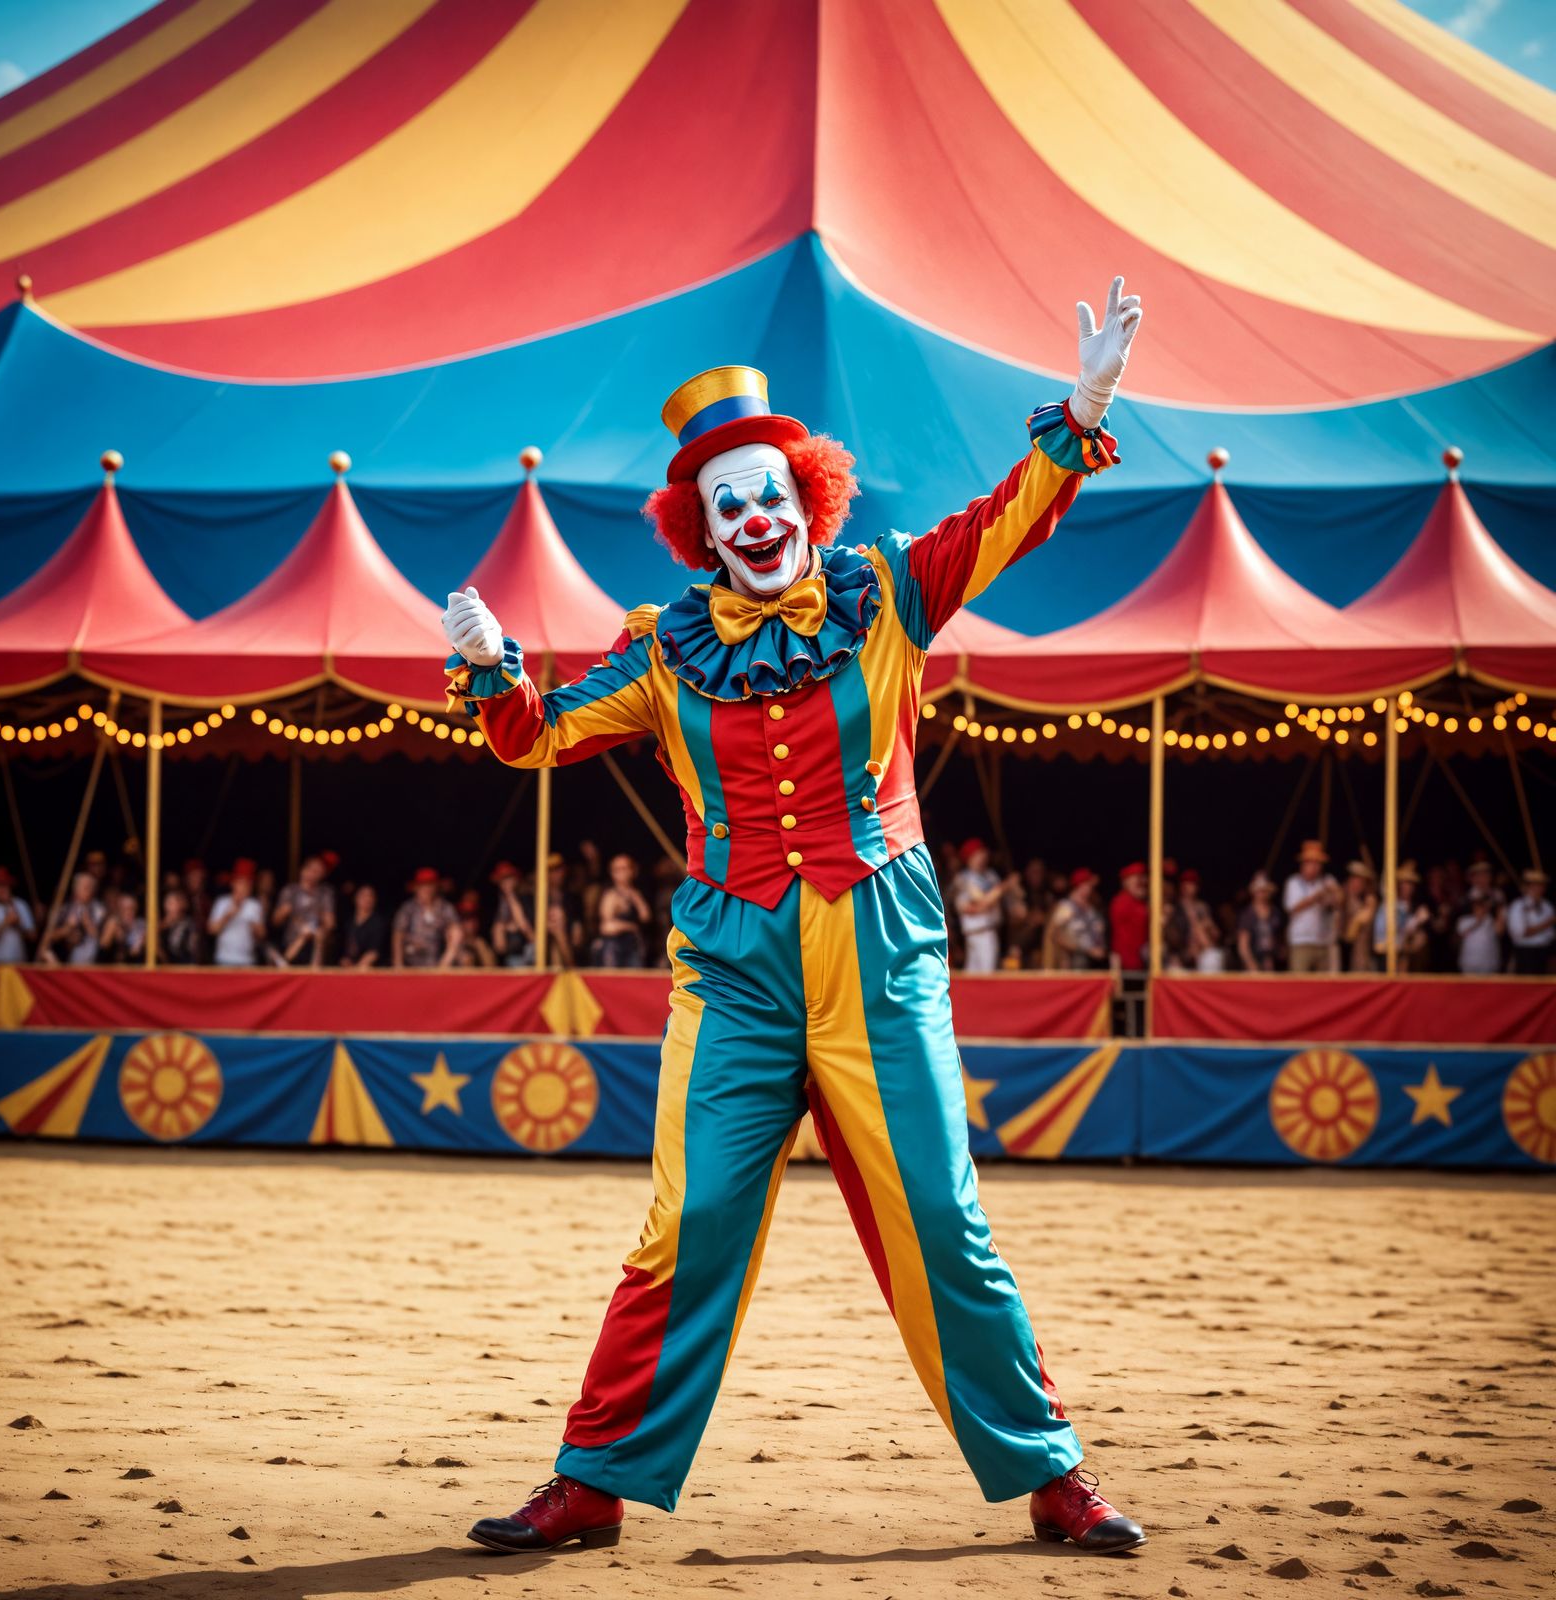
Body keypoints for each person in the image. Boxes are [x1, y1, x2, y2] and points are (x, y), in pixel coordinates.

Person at [444, 280, 1147, 1556]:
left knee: (939, 1210)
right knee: (689, 1218)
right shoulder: (664, 649)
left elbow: (1005, 523)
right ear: (702, 533)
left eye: (771, 493)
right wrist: (496, 668)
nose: (756, 518)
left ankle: (1051, 1473)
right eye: (729, 506)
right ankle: (594, 1480)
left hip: (877, 943)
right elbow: (535, 737)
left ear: (806, 499)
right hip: (733, 966)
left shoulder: (888, 592)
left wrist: (1081, 408)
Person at [952, 838, 1012, 974]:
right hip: (975, 931)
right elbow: (982, 902)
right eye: (977, 854)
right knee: (981, 974)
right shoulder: (964, 878)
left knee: (982, 972)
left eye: (982, 853)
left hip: (989, 930)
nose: (981, 857)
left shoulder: (991, 875)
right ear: (969, 858)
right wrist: (1004, 887)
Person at [271, 852, 337, 967]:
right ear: (303, 870)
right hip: (291, 943)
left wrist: (323, 922)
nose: (313, 875)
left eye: (318, 872)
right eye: (312, 870)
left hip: (314, 947)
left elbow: (330, 924)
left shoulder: (325, 893)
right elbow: (275, 921)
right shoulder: (290, 891)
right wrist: (284, 912)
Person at [1283, 840, 1340, 974]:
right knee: (1299, 983)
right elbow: (1292, 908)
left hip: (1323, 942)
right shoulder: (1293, 882)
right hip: (1301, 942)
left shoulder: (1326, 881)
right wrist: (1317, 896)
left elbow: (1339, 902)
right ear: (1303, 864)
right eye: (1312, 863)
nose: (1316, 867)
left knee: (1323, 985)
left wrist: (1335, 892)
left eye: (1318, 863)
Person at [392, 867, 462, 969]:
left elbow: (456, 932)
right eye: (423, 885)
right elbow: (398, 934)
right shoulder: (408, 908)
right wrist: (398, 964)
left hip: (435, 962)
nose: (427, 889)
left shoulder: (444, 908)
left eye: (430, 885)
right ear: (416, 887)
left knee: (456, 934)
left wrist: (445, 963)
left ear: (436, 887)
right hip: (410, 962)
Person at [1372, 861, 1432, 972]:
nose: (1406, 887)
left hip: (1406, 956)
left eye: (1410, 883)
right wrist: (1416, 920)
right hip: (1389, 954)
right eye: (1403, 883)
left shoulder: (1412, 906)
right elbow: (1394, 930)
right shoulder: (1390, 905)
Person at [594, 853, 651, 968]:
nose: (622, 873)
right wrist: (631, 927)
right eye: (617, 869)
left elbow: (646, 917)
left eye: (625, 868)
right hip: (615, 947)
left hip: (633, 946)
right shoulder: (610, 895)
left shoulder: (636, 893)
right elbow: (606, 927)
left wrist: (635, 898)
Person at [1046, 868, 1108, 970]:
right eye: (1085, 884)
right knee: (1080, 961)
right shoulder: (1066, 907)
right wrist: (1086, 950)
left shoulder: (1092, 908)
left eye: (1089, 885)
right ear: (1077, 885)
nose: (1088, 888)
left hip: (1097, 956)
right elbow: (1056, 934)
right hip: (1076, 956)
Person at [208, 860, 265, 967]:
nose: (244, 887)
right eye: (241, 883)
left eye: (248, 884)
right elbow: (211, 930)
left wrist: (254, 925)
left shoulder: (254, 905)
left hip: (247, 960)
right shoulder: (222, 902)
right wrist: (227, 916)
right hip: (223, 959)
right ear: (233, 883)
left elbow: (262, 935)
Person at [43, 871, 104, 966]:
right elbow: (47, 936)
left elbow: (100, 940)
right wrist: (67, 929)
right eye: (85, 886)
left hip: (90, 960)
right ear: (76, 889)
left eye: (91, 887)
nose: (89, 890)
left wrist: (86, 921)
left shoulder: (98, 909)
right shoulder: (65, 909)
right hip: (65, 958)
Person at [1173, 869, 1223, 973]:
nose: (1189, 887)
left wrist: (1207, 926)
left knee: (1213, 957)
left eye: (1192, 884)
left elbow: (1216, 933)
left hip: (1203, 951)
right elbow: (1173, 936)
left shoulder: (1203, 907)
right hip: (1182, 953)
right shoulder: (1175, 908)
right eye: (1186, 883)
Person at [1507, 869, 1554, 975]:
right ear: (1527, 887)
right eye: (1535, 885)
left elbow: (1550, 934)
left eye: (1541, 885)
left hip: (1544, 952)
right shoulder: (1517, 906)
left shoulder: (1547, 906)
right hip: (1525, 954)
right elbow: (1519, 933)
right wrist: (1547, 923)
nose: (1539, 888)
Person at [488, 862, 536, 967]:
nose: (505, 883)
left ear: (515, 879)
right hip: (512, 954)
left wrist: (511, 897)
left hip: (531, 947)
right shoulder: (500, 902)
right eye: (502, 880)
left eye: (508, 879)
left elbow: (525, 927)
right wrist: (505, 927)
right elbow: (499, 945)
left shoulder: (525, 897)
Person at [1456, 877, 1506, 975]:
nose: (1479, 908)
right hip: (1469, 964)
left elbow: (1500, 931)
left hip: (1488, 964)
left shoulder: (1491, 920)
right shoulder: (1464, 920)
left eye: (1482, 904)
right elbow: (1462, 933)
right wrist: (1478, 921)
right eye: (1477, 905)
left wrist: (1500, 913)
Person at [1106, 862, 1148, 973]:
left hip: (1140, 958)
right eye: (1135, 880)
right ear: (1125, 882)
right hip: (1126, 959)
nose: (1141, 884)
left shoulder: (1142, 903)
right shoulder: (1120, 902)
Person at [1235, 872, 1282, 972]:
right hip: (1253, 962)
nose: (1262, 893)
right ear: (1254, 892)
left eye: (1264, 890)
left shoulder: (1275, 912)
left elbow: (1279, 937)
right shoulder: (1247, 914)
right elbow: (1243, 946)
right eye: (1259, 890)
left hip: (1271, 962)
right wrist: (1252, 965)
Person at [1338, 861, 1377, 974]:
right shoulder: (1343, 897)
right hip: (1346, 950)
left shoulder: (1367, 900)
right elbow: (1349, 935)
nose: (1357, 884)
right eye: (1354, 879)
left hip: (1365, 951)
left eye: (1361, 881)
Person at [340, 884, 386, 969]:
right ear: (355, 898)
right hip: (348, 967)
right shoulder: (348, 921)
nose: (367, 899)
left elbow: (374, 952)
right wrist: (345, 960)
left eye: (370, 896)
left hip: (370, 968)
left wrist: (357, 968)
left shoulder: (378, 922)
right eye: (363, 895)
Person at [98, 891, 146, 964]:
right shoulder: (113, 923)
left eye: (131, 908)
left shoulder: (141, 925)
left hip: (133, 967)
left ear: (136, 908)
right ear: (119, 909)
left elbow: (135, 953)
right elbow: (102, 949)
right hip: (109, 968)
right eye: (124, 908)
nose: (128, 912)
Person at [157, 888, 200, 965]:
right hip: (164, 967)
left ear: (182, 904)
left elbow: (192, 950)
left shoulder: (189, 924)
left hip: (183, 966)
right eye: (167, 903)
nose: (168, 907)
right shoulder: (160, 924)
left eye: (172, 903)